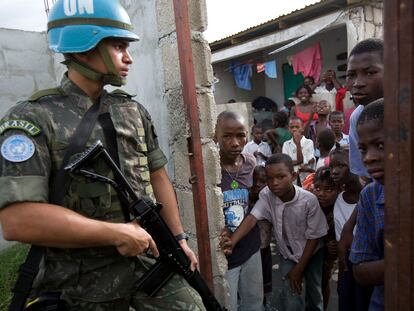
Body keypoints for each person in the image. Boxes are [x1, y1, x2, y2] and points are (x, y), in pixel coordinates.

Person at [0, 1, 205, 310]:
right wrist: (116, 233)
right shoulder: (34, 119)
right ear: (84, 48)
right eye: (119, 46)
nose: (129, 57)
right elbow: (19, 220)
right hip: (79, 280)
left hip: (148, 263)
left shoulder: (132, 111)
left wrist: (177, 239)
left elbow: (156, 173)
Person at [221, 154, 328, 311]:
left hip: (311, 253)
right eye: (270, 178)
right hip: (287, 254)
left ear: (293, 176)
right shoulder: (266, 195)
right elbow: (252, 218)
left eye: (280, 177)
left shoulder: (308, 201)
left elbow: (314, 238)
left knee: (314, 292)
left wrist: (298, 269)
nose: (274, 183)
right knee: (291, 294)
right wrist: (233, 241)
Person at [215, 111, 263, 311]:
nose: (235, 143)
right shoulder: (210, 168)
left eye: (240, 135)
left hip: (250, 246)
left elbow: (255, 201)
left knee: (254, 301)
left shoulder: (250, 163)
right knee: (229, 305)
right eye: (227, 136)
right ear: (215, 136)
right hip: (225, 252)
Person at [349, 99, 385, 310]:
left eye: (381, 146)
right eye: (363, 149)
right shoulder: (370, 196)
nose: (369, 158)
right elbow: (360, 270)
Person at [329, 145, 373, 311]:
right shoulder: (339, 198)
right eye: (332, 167)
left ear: (356, 165)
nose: (334, 171)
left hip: (367, 262)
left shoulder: (369, 195)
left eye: (341, 166)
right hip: (346, 265)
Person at [346, 38, 384, 178]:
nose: (357, 83)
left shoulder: (406, 110)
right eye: (351, 75)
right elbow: (366, 176)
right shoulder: (358, 118)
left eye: (369, 73)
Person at [312, 167, 341, 311]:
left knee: (323, 282)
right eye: (317, 188)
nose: (321, 194)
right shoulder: (310, 204)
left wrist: (334, 245)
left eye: (328, 190)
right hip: (310, 249)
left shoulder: (339, 208)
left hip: (328, 255)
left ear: (338, 190)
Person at [250, 166, 273, 308]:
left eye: (262, 181)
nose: (258, 184)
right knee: (253, 282)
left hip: (264, 248)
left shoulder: (270, 199)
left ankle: (264, 304)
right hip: (251, 250)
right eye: (255, 180)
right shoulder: (247, 198)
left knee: (265, 280)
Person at [282, 116, 315, 184]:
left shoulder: (308, 142)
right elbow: (286, 162)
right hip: (292, 179)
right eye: (292, 127)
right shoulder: (286, 144)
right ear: (289, 129)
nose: (294, 129)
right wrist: (300, 162)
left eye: (297, 127)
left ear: (302, 128)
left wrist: (298, 144)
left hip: (306, 178)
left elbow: (310, 160)